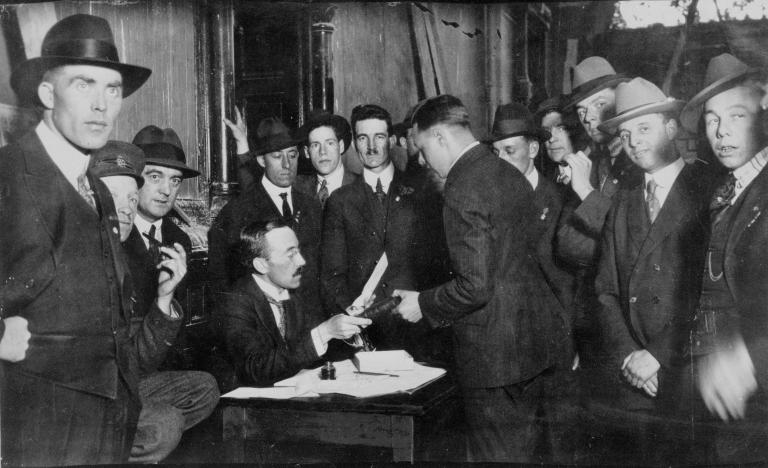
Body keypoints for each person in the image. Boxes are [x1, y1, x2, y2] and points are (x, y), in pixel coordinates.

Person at [0, 14, 185, 465]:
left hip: (110, 412)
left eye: (113, 89)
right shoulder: (8, 173)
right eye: (83, 84)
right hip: (37, 416)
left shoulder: (98, 188)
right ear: (47, 94)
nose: (102, 105)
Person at [393, 95, 568, 463]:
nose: (422, 160)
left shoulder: (462, 187)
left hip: (492, 361)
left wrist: (422, 303)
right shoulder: (508, 173)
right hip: (532, 351)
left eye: (423, 149)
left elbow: (475, 286)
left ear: (440, 137)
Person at [593, 77, 715, 463]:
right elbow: (605, 290)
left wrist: (658, 356)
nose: (634, 142)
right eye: (625, 134)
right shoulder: (623, 200)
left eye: (643, 128)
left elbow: (709, 293)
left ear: (672, 127)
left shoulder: (709, 191)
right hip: (633, 380)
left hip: (687, 373)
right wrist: (630, 357)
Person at [90, 141, 220, 463]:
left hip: (133, 368)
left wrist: (165, 299)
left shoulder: (176, 238)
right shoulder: (98, 246)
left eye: (175, 181)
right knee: (165, 423)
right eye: (155, 177)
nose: (166, 190)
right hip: (95, 384)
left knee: (207, 387)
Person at [680, 53, 768, 463]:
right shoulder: (724, 188)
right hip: (719, 397)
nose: (721, 132)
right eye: (712, 119)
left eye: (737, 116)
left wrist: (751, 359)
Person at [320, 104, 445, 357]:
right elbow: (332, 275)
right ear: (354, 144)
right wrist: (353, 320)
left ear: (391, 140)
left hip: (418, 329)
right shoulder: (340, 201)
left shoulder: (423, 193)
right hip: (366, 333)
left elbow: (437, 267)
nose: (371, 147)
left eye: (379, 137)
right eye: (363, 138)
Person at [555, 57, 643, 386]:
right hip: (593, 321)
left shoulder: (638, 161)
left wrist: (585, 191)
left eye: (599, 104)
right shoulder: (596, 161)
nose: (589, 117)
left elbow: (631, 244)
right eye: (581, 111)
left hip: (631, 330)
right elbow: (566, 244)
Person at [214, 220, 371, 386]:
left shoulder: (295, 293)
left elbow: (310, 348)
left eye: (298, 251)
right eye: (291, 255)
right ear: (261, 265)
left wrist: (348, 320)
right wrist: (325, 331)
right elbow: (255, 369)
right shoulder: (234, 302)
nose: (302, 261)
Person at [209, 117, 322, 299]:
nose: (287, 164)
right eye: (277, 156)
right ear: (261, 160)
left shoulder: (312, 207)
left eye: (292, 155)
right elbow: (223, 281)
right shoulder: (237, 211)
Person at [294, 109, 358, 207]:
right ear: (307, 152)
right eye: (315, 145)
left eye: (330, 143)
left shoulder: (362, 186)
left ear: (341, 146)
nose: (323, 152)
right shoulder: (296, 187)